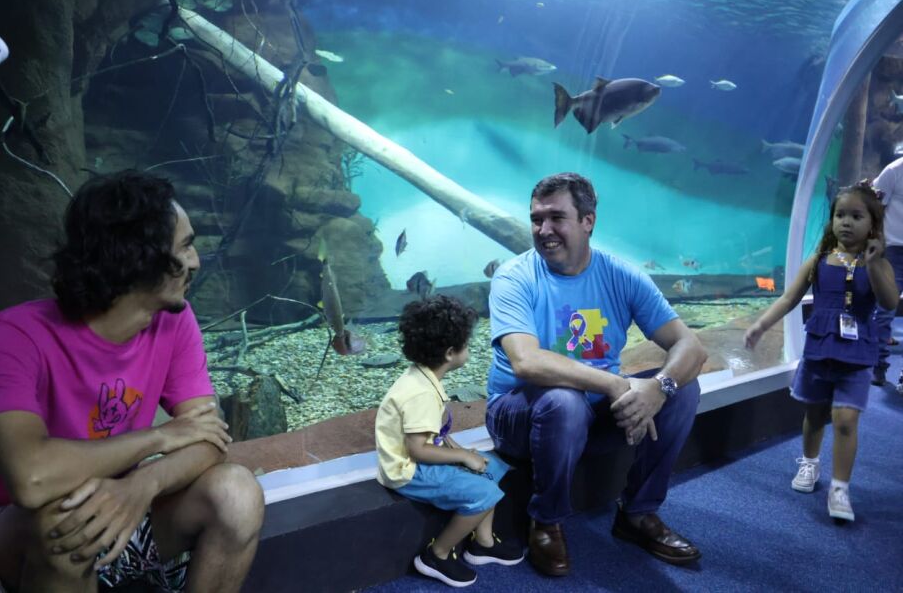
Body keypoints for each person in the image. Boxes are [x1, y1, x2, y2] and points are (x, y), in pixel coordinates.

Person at [0, 171, 265, 592]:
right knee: (66, 523)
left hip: (125, 508)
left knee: (237, 492)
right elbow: (31, 478)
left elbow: (209, 439)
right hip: (28, 537)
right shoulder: (9, 337)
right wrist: (158, 438)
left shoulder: (174, 320)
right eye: (185, 246)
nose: (195, 261)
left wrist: (143, 483)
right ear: (139, 258)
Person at [485, 172, 706, 577]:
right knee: (562, 400)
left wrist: (659, 387)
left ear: (588, 221)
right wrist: (615, 383)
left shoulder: (621, 275)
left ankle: (638, 513)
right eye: (537, 219)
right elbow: (527, 363)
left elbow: (691, 347)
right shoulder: (514, 277)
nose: (543, 230)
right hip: (519, 413)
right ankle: (547, 519)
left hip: (591, 413)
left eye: (557, 218)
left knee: (682, 389)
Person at [745, 183, 897, 522]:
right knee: (814, 414)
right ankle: (810, 464)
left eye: (856, 216)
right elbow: (789, 298)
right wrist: (761, 325)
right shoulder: (819, 260)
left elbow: (889, 302)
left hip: (857, 354)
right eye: (840, 215)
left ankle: (840, 487)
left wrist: (872, 264)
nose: (846, 222)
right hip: (820, 350)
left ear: (872, 224)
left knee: (845, 420)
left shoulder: (880, 265)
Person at [375, 295, 523, 588]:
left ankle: (482, 543)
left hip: (422, 458)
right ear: (450, 353)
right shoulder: (420, 394)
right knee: (484, 492)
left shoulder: (424, 378)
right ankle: (437, 554)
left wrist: (461, 451)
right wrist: (463, 458)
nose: (468, 350)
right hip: (407, 471)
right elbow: (417, 449)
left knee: (491, 468)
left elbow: (434, 433)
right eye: (466, 345)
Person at [872, 158, 903, 392]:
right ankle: (879, 365)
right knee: (885, 310)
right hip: (895, 250)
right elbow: (875, 209)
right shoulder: (893, 171)